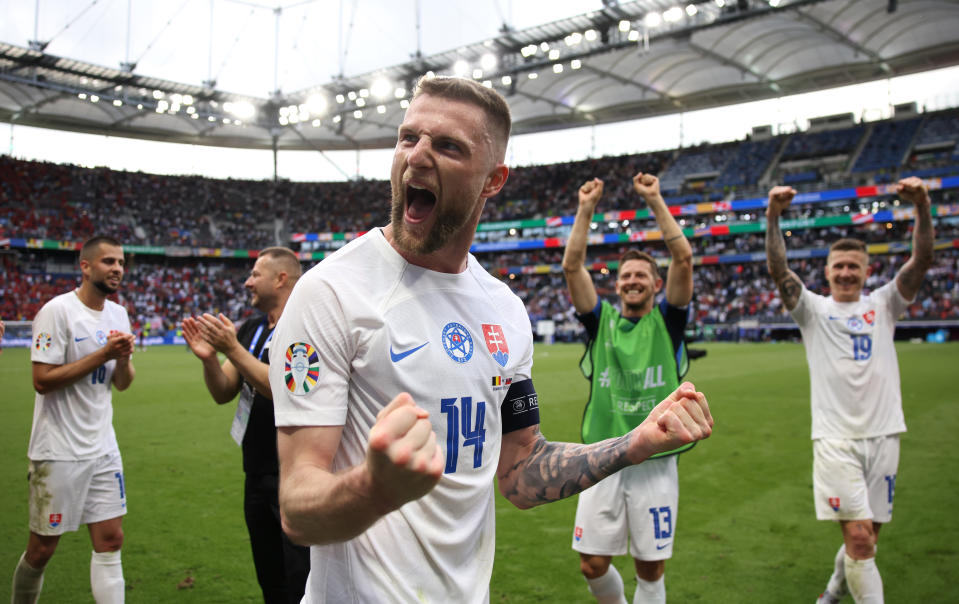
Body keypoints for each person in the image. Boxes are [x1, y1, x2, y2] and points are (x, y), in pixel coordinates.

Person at [267, 75, 714, 604]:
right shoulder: (330, 293)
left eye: (448, 145)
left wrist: (634, 443)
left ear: (493, 180)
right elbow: (298, 507)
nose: (417, 156)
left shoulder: (503, 308)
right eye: (409, 137)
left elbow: (522, 470)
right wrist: (375, 488)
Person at [764, 178, 934, 604]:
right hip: (836, 440)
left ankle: (834, 591)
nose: (845, 273)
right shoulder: (813, 310)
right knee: (859, 539)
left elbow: (922, 259)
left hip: (884, 435)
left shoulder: (884, 303)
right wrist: (772, 216)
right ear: (825, 271)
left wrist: (924, 205)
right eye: (838, 266)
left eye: (853, 266)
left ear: (865, 270)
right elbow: (779, 270)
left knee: (869, 539)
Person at [561, 175, 695, 604]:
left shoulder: (667, 323)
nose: (633, 280)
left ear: (656, 284)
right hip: (603, 455)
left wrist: (654, 199)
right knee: (591, 564)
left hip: (654, 459)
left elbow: (684, 259)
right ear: (616, 285)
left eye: (642, 275)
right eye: (625, 276)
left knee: (649, 569)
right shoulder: (600, 324)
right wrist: (585, 209)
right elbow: (571, 267)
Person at [12, 235, 136, 604]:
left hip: (103, 448)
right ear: (85, 267)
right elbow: (42, 381)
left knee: (111, 540)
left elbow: (123, 383)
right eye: (109, 262)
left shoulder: (118, 314)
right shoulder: (57, 311)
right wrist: (103, 354)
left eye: (121, 263)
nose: (117, 269)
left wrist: (124, 359)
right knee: (42, 549)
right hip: (58, 450)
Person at [181, 247, 309, 604]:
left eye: (255, 274)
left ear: (281, 279)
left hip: (294, 474)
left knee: (299, 578)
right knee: (270, 579)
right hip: (255, 472)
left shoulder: (303, 326)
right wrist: (210, 360)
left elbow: (285, 390)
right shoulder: (252, 328)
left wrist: (232, 349)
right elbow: (224, 391)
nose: (247, 281)